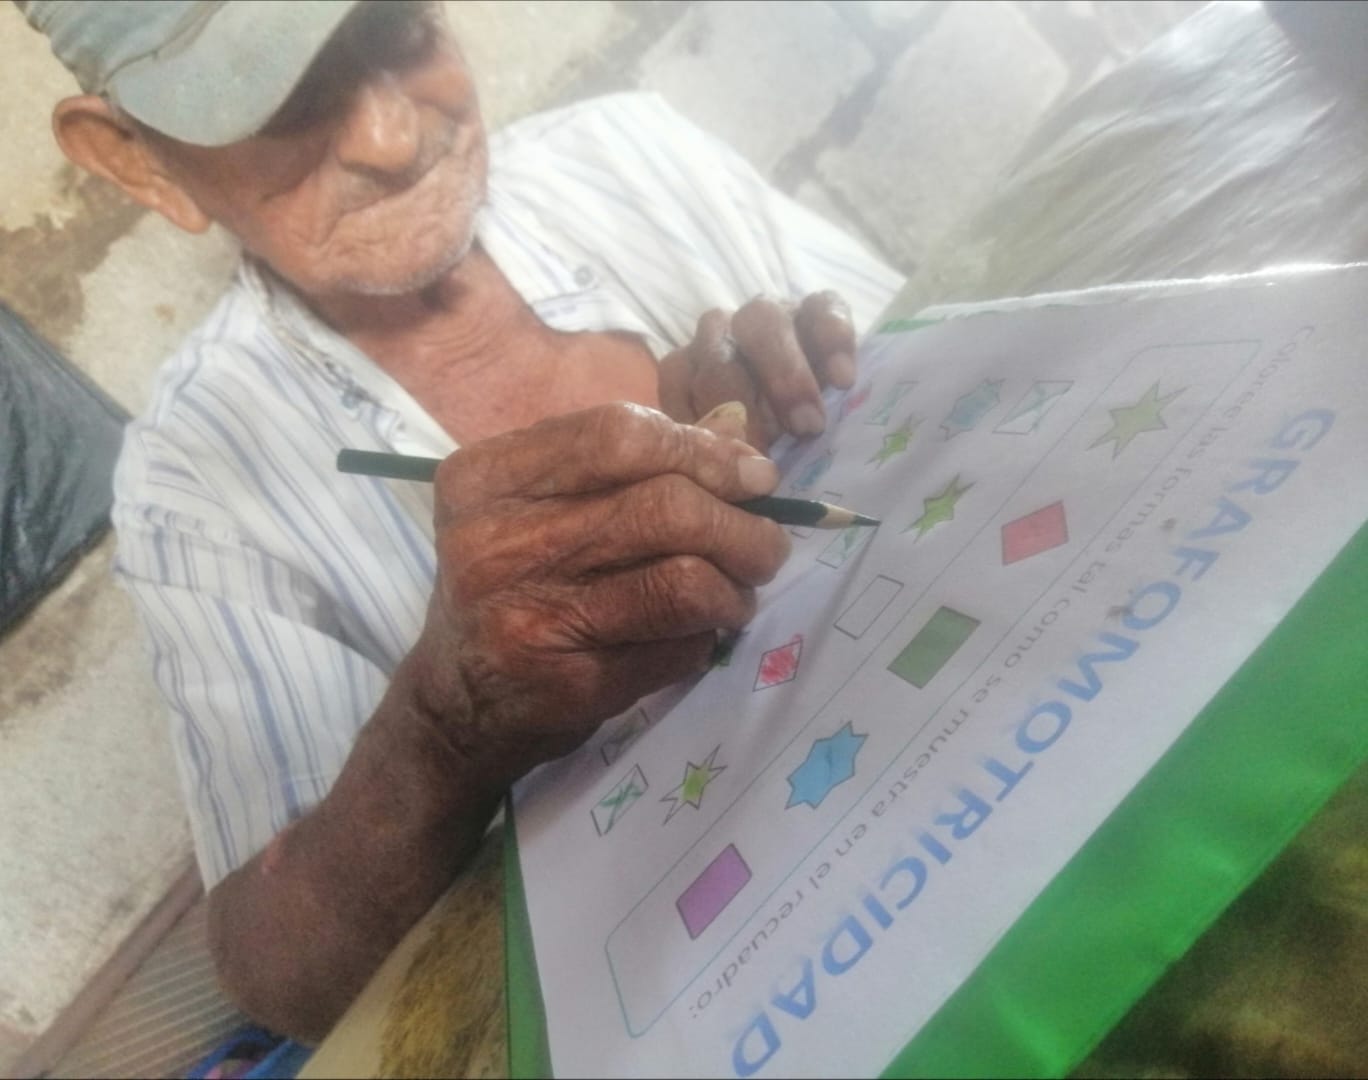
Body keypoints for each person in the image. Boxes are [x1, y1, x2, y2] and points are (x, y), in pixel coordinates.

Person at [22, 0, 903, 1040]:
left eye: (396, 27)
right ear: (138, 162)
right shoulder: (195, 475)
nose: (390, 136)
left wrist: (837, 404)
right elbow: (288, 983)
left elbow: (958, 434)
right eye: (278, 100)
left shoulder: (625, 150)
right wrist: (446, 722)